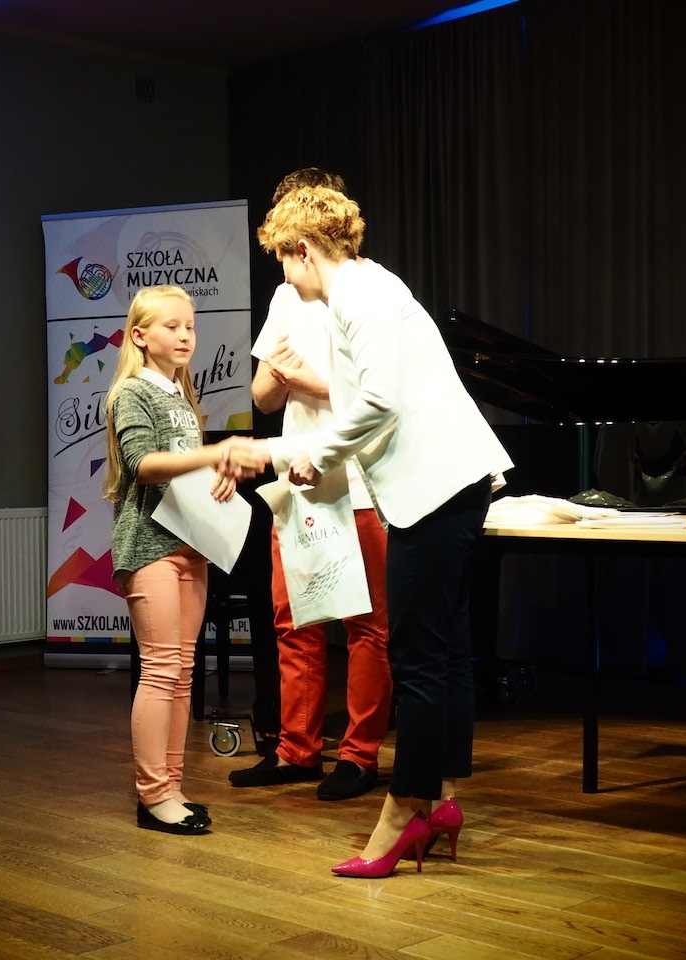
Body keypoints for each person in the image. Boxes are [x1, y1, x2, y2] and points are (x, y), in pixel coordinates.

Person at [250, 187, 514, 876]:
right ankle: (441, 799)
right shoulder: (373, 285)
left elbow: (376, 402)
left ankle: (401, 815)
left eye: (283, 262)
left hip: (433, 489)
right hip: (449, 483)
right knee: (446, 655)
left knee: (419, 660)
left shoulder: (359, 296)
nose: (286, 278)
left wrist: (316, 454)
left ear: (303, 250)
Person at [229, 169, 392, 802]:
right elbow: (262, 395)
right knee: (293, 619)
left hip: (358, 478)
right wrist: (282, 375)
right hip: (296, 476)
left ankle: (359, 754)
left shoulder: (366, 290)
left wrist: (308, 379)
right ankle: (297, 749)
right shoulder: (285, 298)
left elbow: (376, 396)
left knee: (365, 624)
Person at [103, 285, 264, 835]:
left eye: (190, 326)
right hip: (149, 546)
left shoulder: (180, 392)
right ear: (139, 336)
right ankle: (153, 796)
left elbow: (181, 467)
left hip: (190, 545)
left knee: (182, 671)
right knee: (161, 669)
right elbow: (144, 463)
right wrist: (216, 451)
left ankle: (171, 789)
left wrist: (217, 471)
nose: (184, 336)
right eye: (171, 326)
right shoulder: (132, 392)